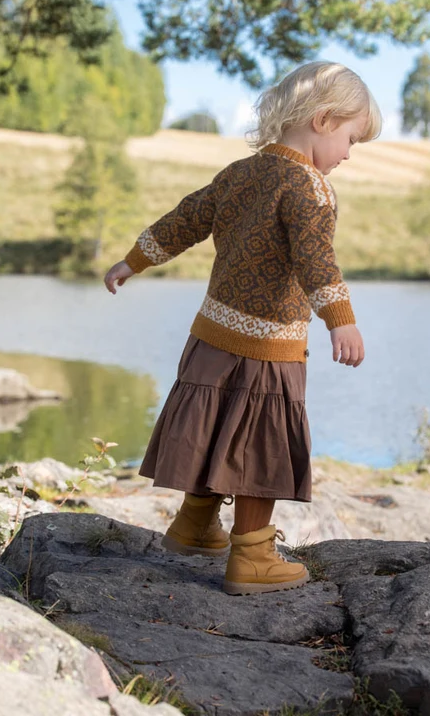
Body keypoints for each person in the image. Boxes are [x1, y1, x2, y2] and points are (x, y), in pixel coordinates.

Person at [104, 61, 382, 596]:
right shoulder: (311, 188)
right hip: (269, 346)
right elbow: (316, 260)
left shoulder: (240, 172)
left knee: (215, 427)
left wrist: (133, 261)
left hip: (211, 335)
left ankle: (194, 524)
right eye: (351, 139)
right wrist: (341, 321)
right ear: (323, 120)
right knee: (258, 444)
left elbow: (185, 219)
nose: (349, 154)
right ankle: (252, 555)